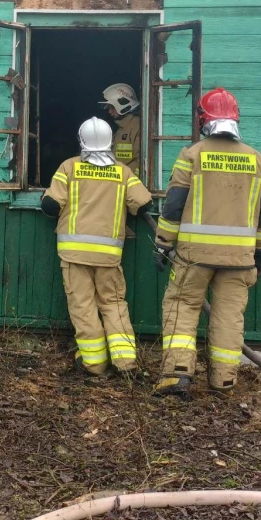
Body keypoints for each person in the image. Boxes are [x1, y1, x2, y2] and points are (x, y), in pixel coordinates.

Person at [152, 88, 261, 399]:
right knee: (228, 316)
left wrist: (163, 243)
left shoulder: (191, 155)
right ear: (236, 119)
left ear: (204, 119)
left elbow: (174, 206)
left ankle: (176, 377)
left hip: (194, 256)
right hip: (240, 258)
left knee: (181, 306)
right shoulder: (257, 160)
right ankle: (223, 382)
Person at [42, 118, 152, 378]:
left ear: (80, 140)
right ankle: (126, 363)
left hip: (73, 254)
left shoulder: (69, 167)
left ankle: (94, 364)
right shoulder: (123, 172)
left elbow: (50, 207)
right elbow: (144, 203)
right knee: (114, 305)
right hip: (109, 256)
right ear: (111, 141)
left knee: (83, 307)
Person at [100, 83, 141, 178]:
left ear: (122, 103)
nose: (109, 111)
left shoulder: (136, 126)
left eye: (112, 107)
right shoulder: (121, 127)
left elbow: (142, 161)